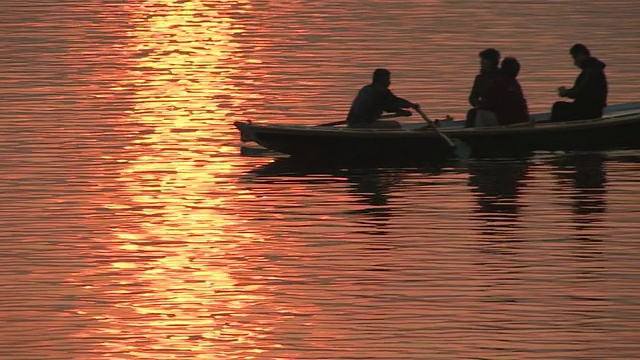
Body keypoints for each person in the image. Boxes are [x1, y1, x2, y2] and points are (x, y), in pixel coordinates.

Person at [550, 43, 608, 122]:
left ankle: (555, 127)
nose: (575, 62)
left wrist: (566, 93)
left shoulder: (590, 71)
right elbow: (580, 89)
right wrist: (567, 91)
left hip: (590, 111)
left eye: (575, 58)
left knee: (558, 106)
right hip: (589, 108)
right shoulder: (592, 69)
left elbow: (579, 92)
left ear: (581, 55)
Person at [346, 68, 419, 129]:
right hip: (363, 124)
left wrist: (400, 111)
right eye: (387, 79)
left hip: (353, 123)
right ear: (380, 79)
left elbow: (387, 106)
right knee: (396, 125)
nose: (389, 82)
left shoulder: (366, 89)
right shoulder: (381, 91)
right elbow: (395, 102)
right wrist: (411, 105)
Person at [477, 57, 530, 126]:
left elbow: (486, 104)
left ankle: (477, 133)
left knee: (481, 112)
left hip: (506, 122)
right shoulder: (515, 85)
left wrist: (479, 104)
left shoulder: (498, 84)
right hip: (521, 120)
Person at [465, 48, 501, 127]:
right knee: (472, 113)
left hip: (498, 111)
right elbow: (473, 97)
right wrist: (478, 103)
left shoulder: (501, 77)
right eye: (481, 59)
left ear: (492, 61)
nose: (481, 62)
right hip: (484, 108)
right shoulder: (480, 78)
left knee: (476, 114)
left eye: (484, 59)